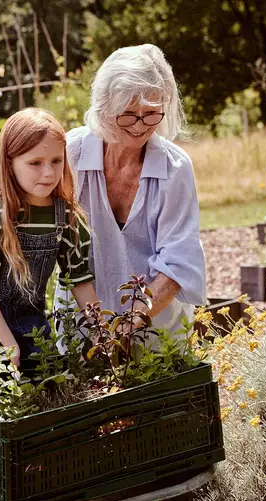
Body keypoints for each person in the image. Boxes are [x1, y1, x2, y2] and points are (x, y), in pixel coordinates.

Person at [55, 44, 206, 340]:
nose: (139, 126)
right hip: (79, 331)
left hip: (158, 333)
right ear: (104, 108)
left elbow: (178, 263)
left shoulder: (174, 169)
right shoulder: (70, 154)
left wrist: (126, 327)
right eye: (128, 114)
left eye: (151, 114)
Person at [0, 108, 97, 364]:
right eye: (35, 163)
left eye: (56, 161)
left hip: (32, 317)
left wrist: (103, 333)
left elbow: (80, 282)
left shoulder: (68, 219)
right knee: (1, 393)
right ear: (9, 163)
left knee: (46, 386)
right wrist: (7, 343)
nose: (48, 173)